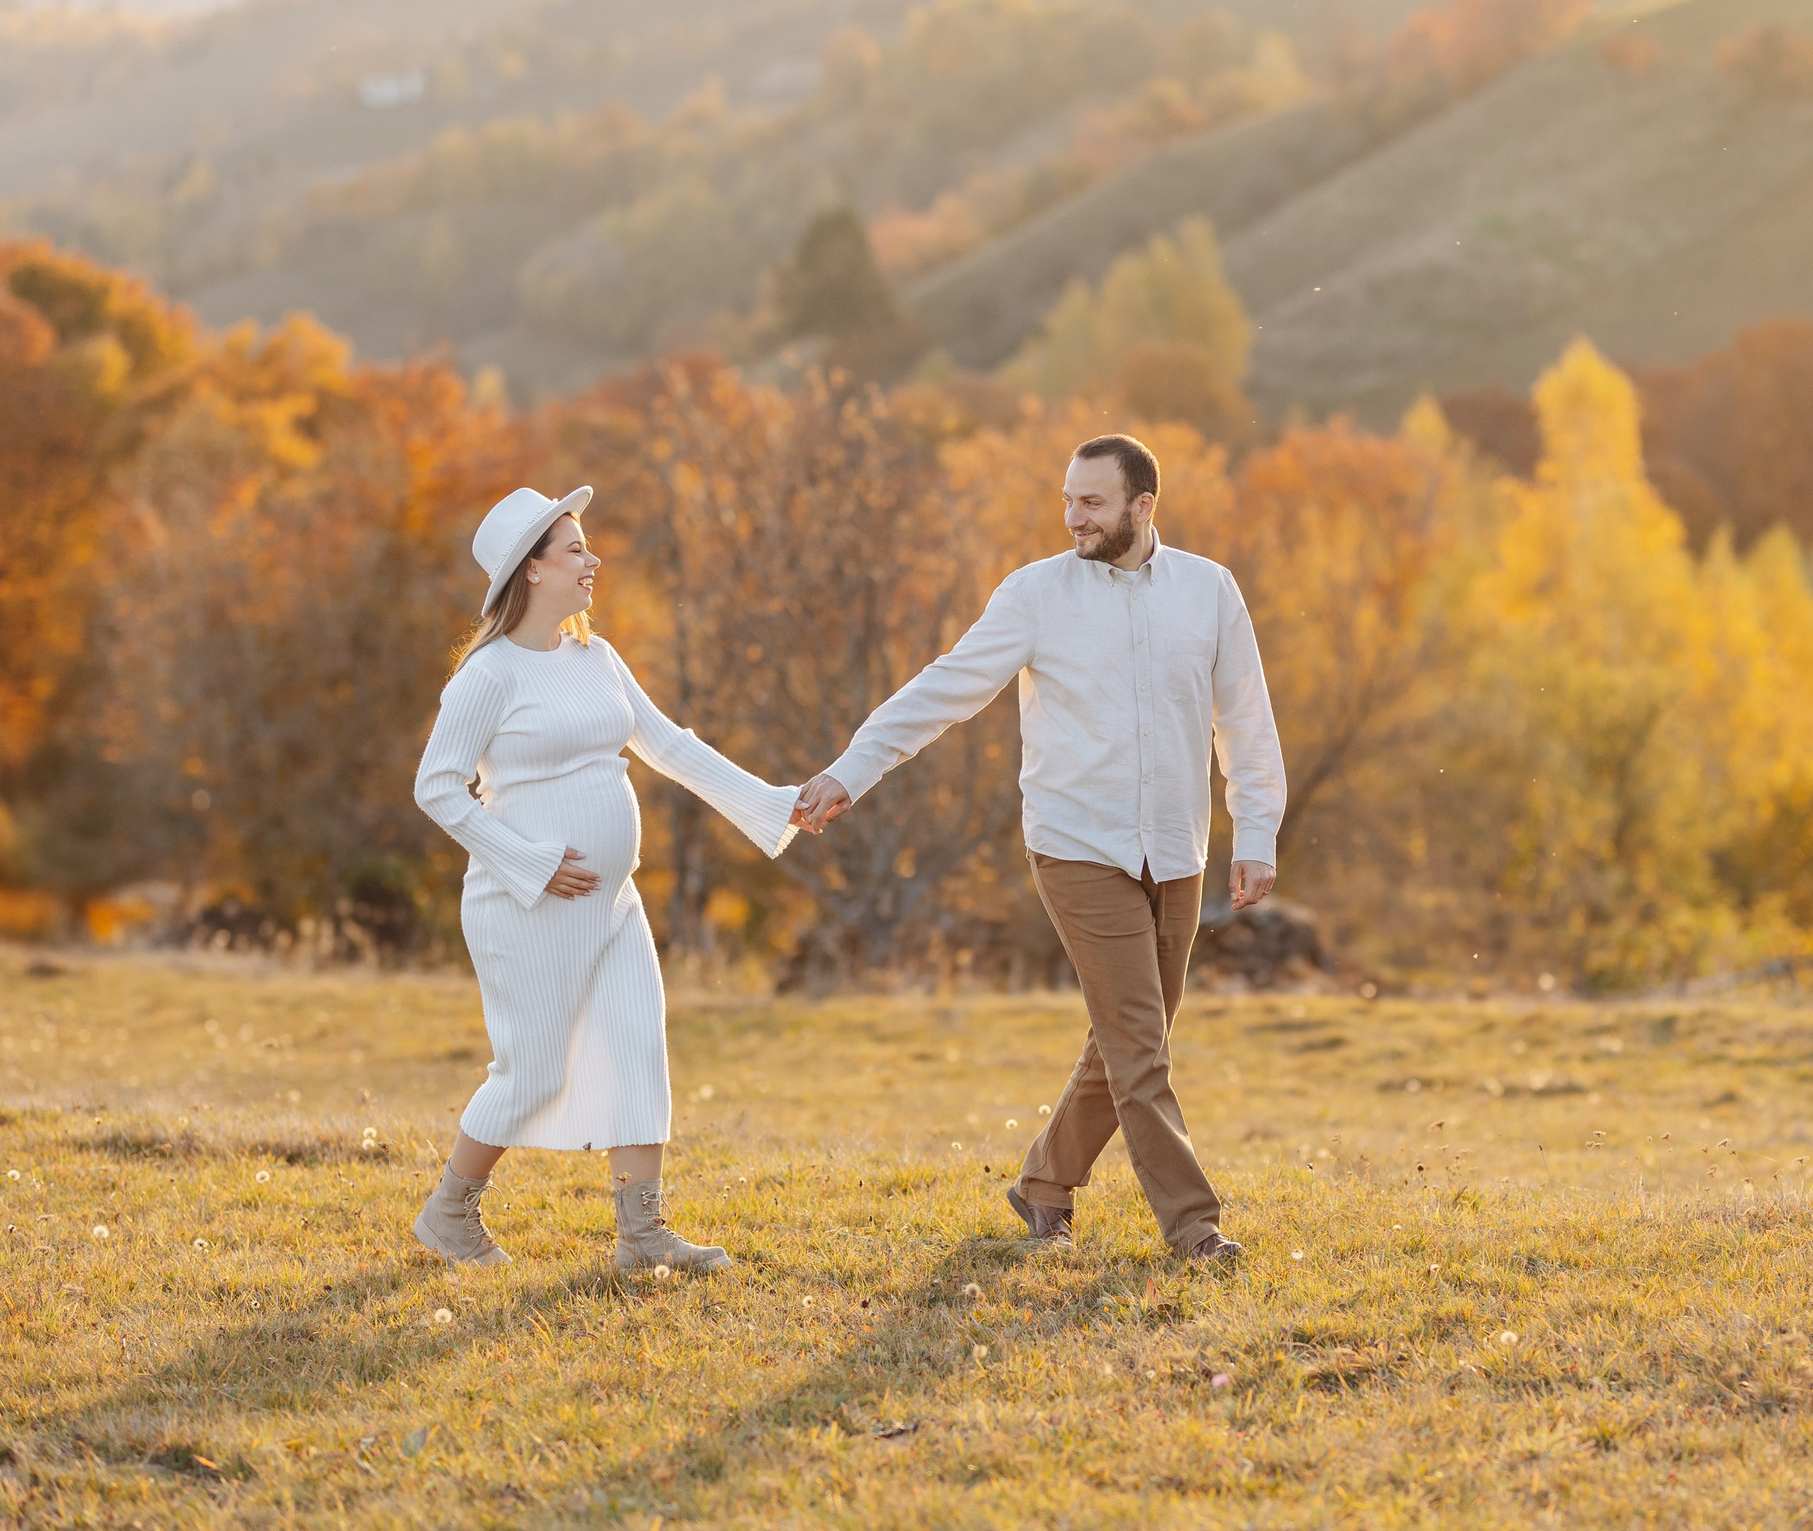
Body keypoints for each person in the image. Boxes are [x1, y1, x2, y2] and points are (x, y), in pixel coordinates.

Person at [793, 434, 1286, 1263]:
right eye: (1067, 499)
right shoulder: (1035, 595)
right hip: (1075, 842)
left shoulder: (1209, 590)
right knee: (1140, 1041)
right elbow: (943, 689)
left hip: (1175, 848)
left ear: (1143, 506)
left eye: (1091, 502)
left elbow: (1245, 718)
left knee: (1134, 1035)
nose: (1073, 517)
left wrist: (1257, 830)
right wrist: (852, 770)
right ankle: (1194, 1225)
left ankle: (1044, 1183)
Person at [410, 485, 801, 1272]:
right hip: (525, 907)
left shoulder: (597, 656)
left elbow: (671, 748)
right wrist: (531, 861)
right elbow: (436, 785)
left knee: (636, 1047)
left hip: (612, 901)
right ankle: (450, 1211)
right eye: (576, 549)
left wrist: (776, 805)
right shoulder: (487, 675)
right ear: (532, 570)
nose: (595, 561)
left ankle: (642, 1233)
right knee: (533, 1070)